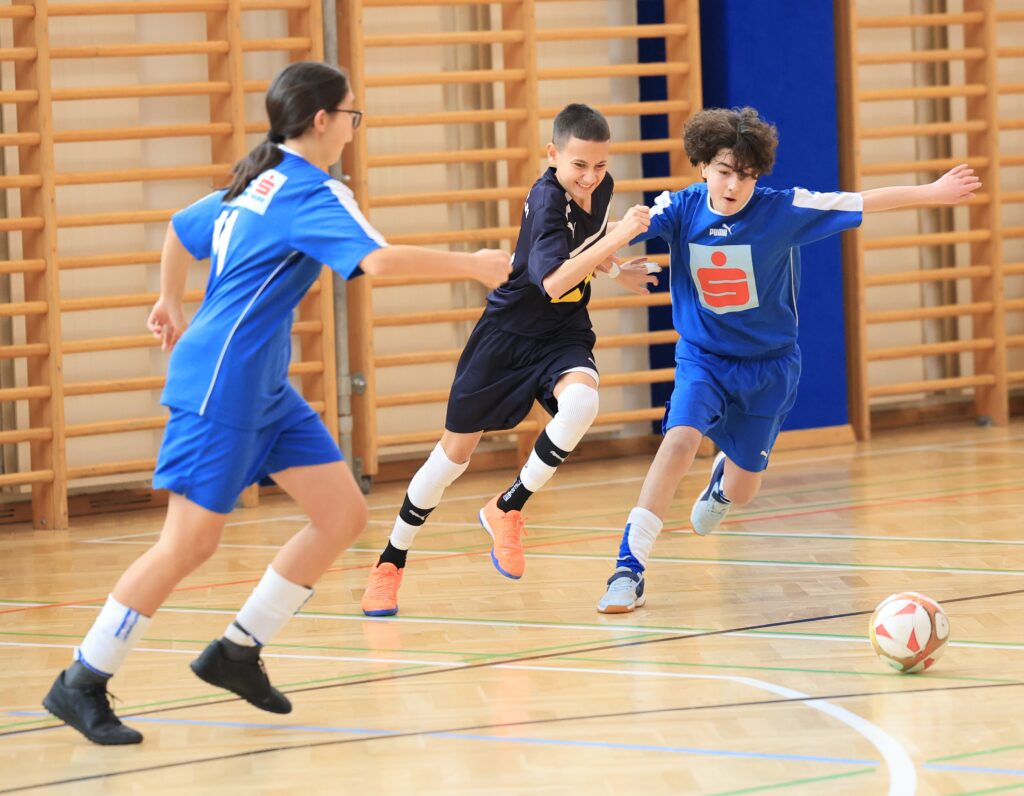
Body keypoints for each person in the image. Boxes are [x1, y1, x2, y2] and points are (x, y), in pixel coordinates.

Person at [41, 61, 510, 745]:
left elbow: (179, 228)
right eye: (352, 115)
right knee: (187, 544)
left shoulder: (255, 180)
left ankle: (238, 650)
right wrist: (474, 264)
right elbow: (376, 262)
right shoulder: (311, 191)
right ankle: (82, 678)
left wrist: (170, 299)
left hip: (264, 386)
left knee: (342, 514)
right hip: (222, 383)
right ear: (322, 120)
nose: (354, 128)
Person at [597, 106, 981, 613]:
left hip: (769, 367)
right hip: (703, 358)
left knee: (744, 489)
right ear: (703, 165)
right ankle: (629, 567)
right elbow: (608, 238)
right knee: (679, 440)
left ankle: (723, 485)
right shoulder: (680, 207)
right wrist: (610, 268)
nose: (734, 185)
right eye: (725, 171)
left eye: (746, 175)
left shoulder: (783, 210)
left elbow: (862, 200)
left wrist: (932, 192)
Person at [360, 103, 658, 617]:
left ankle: (507, 507)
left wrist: (615, 270)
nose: (590, 177)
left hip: (562, 333)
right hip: (506, 337)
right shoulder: (545, 199)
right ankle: (390, 562)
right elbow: (554, 280)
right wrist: (620, 237)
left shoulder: (600, 188)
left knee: (582, 403)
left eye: (600, 165)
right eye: (579, 165)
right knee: (451, 459)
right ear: (553, 155)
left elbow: (582, 243)